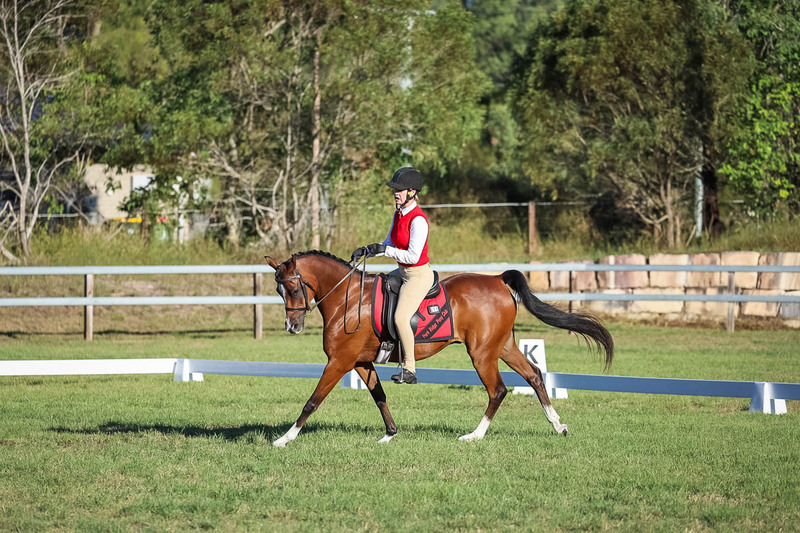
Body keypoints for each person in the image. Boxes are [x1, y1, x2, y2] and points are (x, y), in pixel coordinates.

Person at [352, 167, 433, 384]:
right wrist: (368, 250)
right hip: (402, 271)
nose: (395, 193)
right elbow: (388, 243)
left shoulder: (418, 220)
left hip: (417, 275)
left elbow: (413, 255)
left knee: (400, 317)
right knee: (376, 291)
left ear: (412, 192)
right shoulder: (398, 214)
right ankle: (384, 347)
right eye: (394, 189)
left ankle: (410, 368)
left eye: (400, 189)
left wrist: (384, 251)